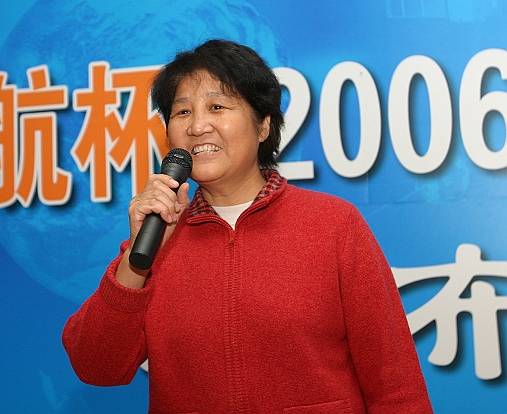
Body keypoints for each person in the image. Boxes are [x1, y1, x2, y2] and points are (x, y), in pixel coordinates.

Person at [62, 39, 433, 413]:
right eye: (182, 112)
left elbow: (395, 386)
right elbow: (96, 367)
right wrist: (136, 261)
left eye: (217, 107)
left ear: (263, 125)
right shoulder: (157, 238)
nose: (198, 126)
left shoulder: (334, 224)